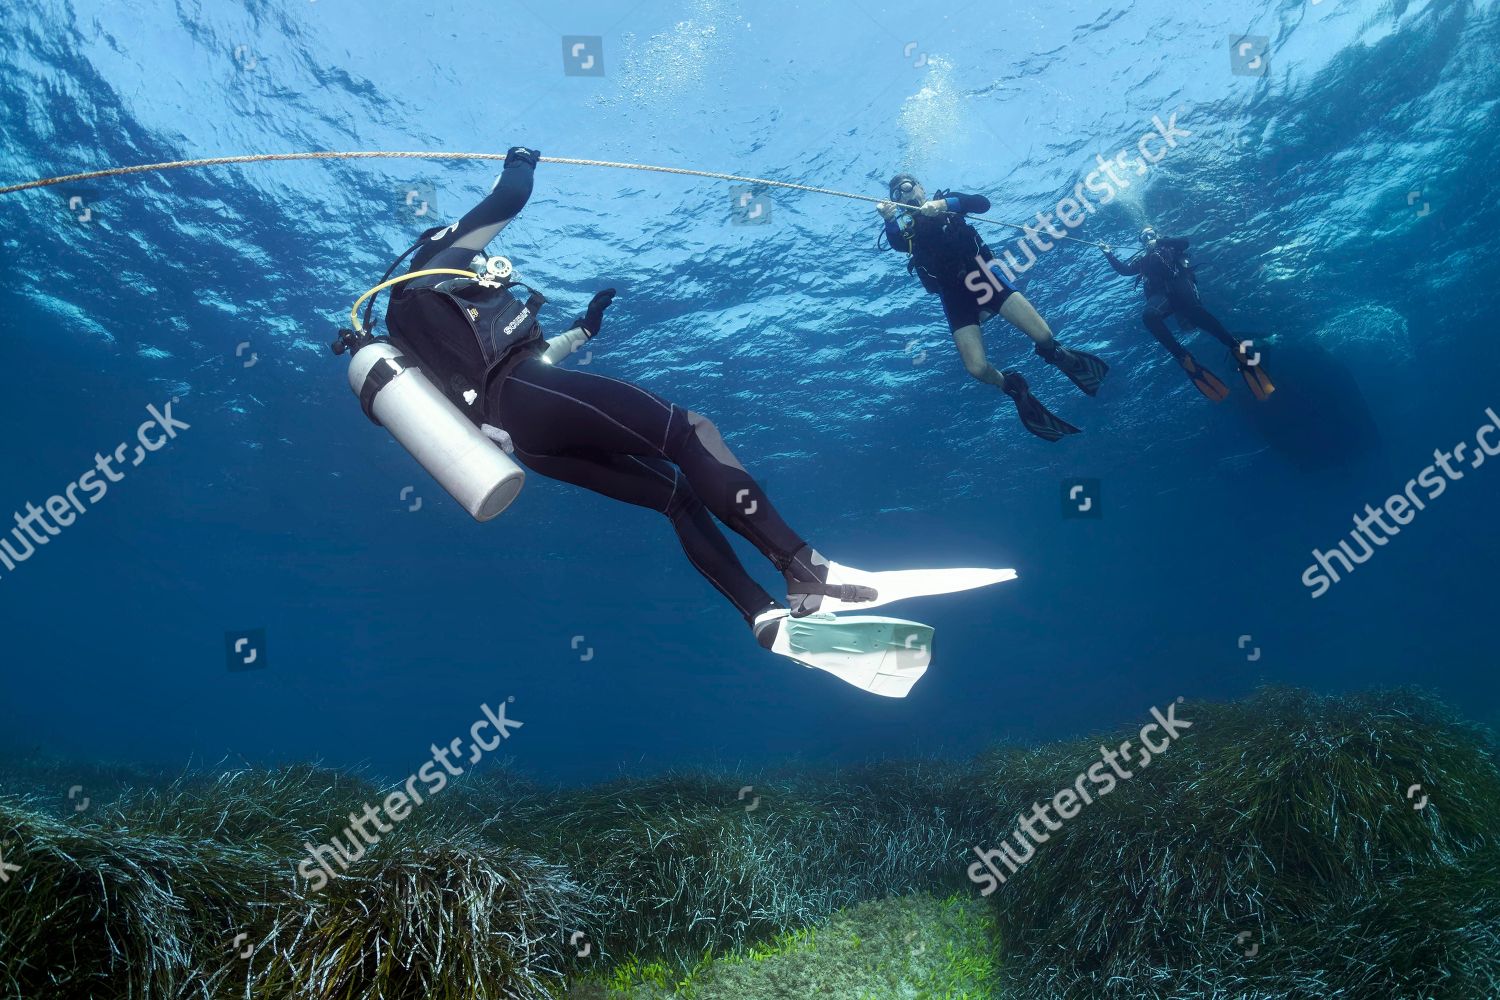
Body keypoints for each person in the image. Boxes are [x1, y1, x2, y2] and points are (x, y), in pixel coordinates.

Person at [365, 147, 1010, 695]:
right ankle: (808, 569)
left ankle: (764, 616)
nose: (477, 267)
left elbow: (530, 360)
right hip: (523, 396)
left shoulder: (422, 327)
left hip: (519, 439)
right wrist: (522, 159)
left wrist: (585, 329)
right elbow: (508, 198)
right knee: (690, 432)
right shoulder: (432, 267)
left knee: (675, 497)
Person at [878, 173, 1110, 442]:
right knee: (976, 369)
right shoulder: (906, 230)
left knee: (1044, 336)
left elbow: (982, 203)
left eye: (907, 187)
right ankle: (1011, 386)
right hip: (955, 297)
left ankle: (1057, 354)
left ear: (921, 187)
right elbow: (895, 243)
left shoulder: (947, 205)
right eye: (896, 194)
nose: (903, 194)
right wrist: (888, 219)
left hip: (983, 279)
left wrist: (943, 206)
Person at [1101, 227, 1275, 401]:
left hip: (1181, 288)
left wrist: (1160, 242)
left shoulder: (1168, 246)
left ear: (1157, 235)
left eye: (1151, 234)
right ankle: (1183, 357)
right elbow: (1124, 270)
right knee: (1149, 317)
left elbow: (1184, 242)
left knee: (1196, 313)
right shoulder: (1142, 260)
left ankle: (1236, 347)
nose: (1148, 238)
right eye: (1144, 237)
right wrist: (1108, 253)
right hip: (1161, 297)